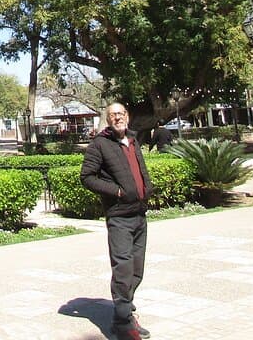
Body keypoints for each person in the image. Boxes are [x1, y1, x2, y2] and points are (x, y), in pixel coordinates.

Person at [81, 103, 155, 340]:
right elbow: (87, 177)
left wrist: (148, 188)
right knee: (123, 269)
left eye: (120, 114)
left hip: (139, 215)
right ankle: (124, 324)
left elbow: (140, 170)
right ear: (108, 119)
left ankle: (125, 315)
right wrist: (118, 192)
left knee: (136, 270)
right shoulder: (99, 144)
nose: (117, 118)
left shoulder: (133, 140)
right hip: (119, 217)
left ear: (127, 116)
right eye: (112, 115)